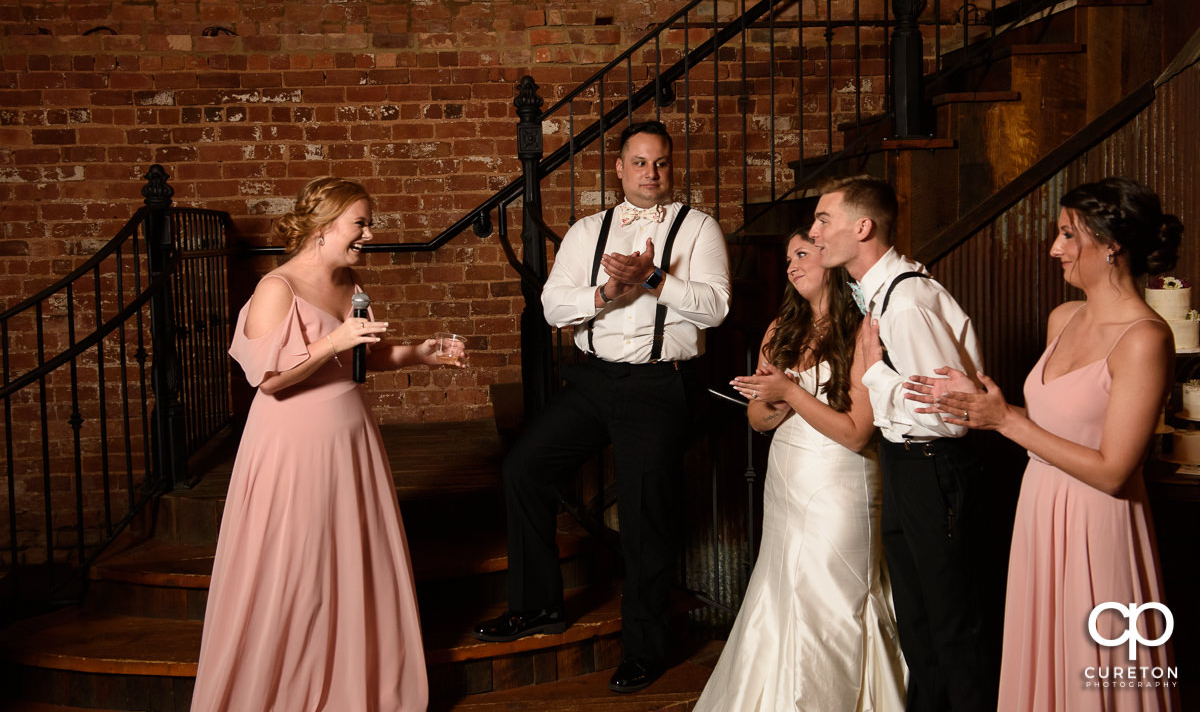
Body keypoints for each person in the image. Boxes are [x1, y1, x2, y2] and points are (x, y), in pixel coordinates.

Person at [471, 120, 732, 694]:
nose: (650, 174)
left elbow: (714, 309)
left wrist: (656, 279)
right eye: (639, 163)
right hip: (593, 381)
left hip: (658, 386)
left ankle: (645, 648)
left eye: (660, 162)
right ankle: (539, 605)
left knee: (644, 519)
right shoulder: (587, 231)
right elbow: (552, 306)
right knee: (524, 470)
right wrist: (608, 293)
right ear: (618, 168)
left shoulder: (699, 228)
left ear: (672, 165)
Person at [906, 177, 1182, 712]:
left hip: (1098, 521)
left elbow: (1112, 471)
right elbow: (1061, 424)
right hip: (1040, 506)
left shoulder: (1146, 338)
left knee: (1093, 671)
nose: (1054, 248)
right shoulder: (1065, 317)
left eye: (1067, 235)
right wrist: (981, 403)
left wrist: (1006, 419)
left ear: (1111, 244)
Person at [191, 177, 466, 712]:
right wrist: (333, 340)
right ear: (324, 226)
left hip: (351, 436)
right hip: (294, 444)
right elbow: (270, 380)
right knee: (295, 566)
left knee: (350, 561)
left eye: (368, 221)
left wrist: (420, 353)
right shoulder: (279, 288)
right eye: (360, 221)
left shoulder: (350, 281)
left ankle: (348, 687)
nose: (369, 232)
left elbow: (362, 357)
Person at [693, 226, 907, 711]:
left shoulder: (863, 328)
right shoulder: (780, 329)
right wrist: (774, 401)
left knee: (833, 596)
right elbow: (757, 420)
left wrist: (791, 392)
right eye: (788, 256)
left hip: (841, 481)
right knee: (783, 589)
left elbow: (856, 431)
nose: (791, 264)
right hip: (787, 475)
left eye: (803, 253)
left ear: (830, 259)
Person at [807, 176, 995, 712]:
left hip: (934, 465)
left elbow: (953, 416)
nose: (816, 233)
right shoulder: (877, 294)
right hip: (905, 463)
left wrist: (874, 374)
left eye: (824, 220)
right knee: (918, 622)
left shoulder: (907, 302)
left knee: (951, 623)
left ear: (862, 227)